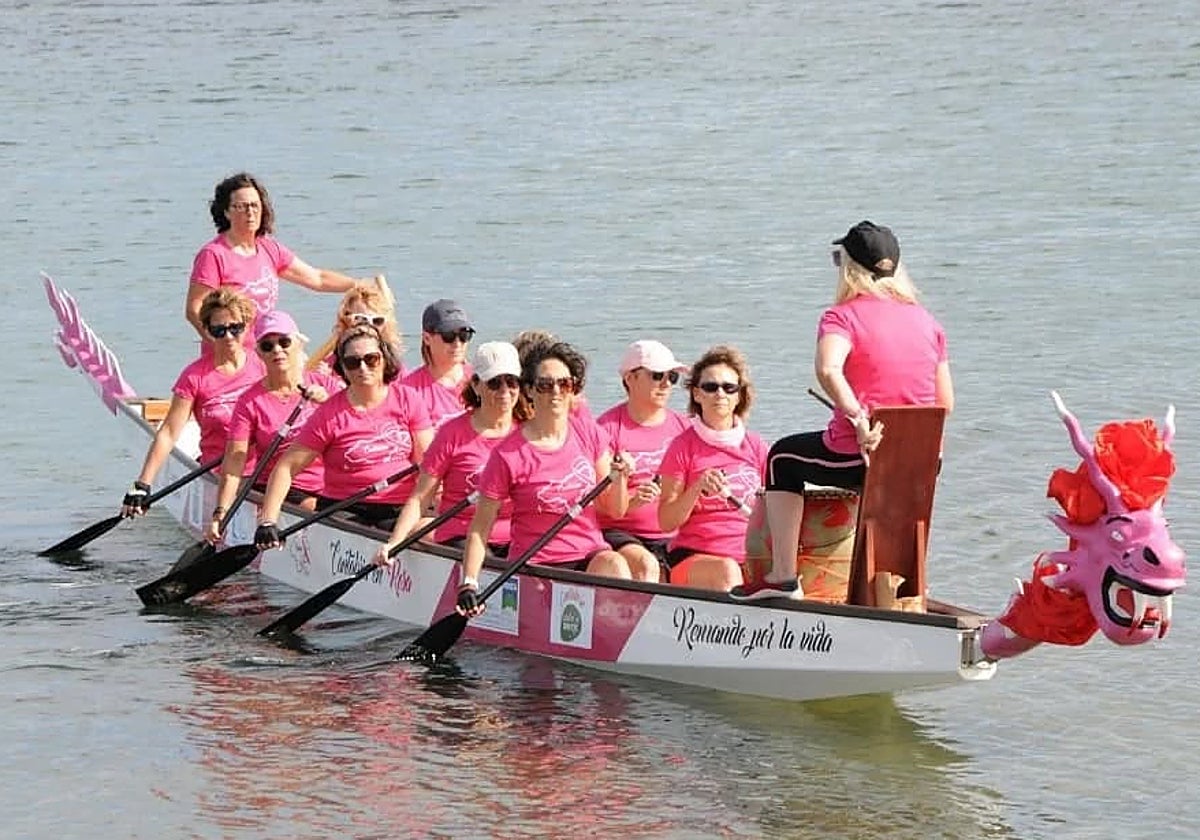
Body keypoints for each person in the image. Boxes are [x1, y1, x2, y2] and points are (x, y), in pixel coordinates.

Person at [729, 220, 954, 601]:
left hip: (860, 454)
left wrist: (858, 419)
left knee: (781, 458)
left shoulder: (842, 316)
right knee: (881, 480)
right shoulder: (928, 321)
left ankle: (783, 576)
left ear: (850, 268)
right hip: (923, 462)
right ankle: (903, 589)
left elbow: (828, 368)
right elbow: (945, 404)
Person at [455, 342, 654, 617]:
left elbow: (615, 510)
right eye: (546, 385)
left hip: (588, 555)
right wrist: (469, 583)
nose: (556, 392)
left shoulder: (588, 433)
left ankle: (619, 631)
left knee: (615, 564)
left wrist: (619, 479)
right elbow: (480, 529)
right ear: (529, 390)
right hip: (535, 563)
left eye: (564, 384)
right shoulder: (507, 455)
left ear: (573, 388)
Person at [253, 325, 434, 537]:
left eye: (371, 359)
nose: (363, 368)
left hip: (400, 506)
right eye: (353, 362)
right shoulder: (329, 414)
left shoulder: (408, 399)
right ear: (343, 369)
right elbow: (286, 467)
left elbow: (430, 464)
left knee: (437, 533)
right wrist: (268, 521)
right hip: (346, 508)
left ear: (384, 360)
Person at [373, 341, 531, 564]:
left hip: (517, 533)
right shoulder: (452, 433)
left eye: (512, 382)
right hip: (462, 532)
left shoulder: (529, 431)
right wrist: (394, 542)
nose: (505, 391)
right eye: (494, 383)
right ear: (476, 385)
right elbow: (421, 497)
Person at [186, 172, 374, 345]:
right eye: (241, 206)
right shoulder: (214, 255)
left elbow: (317, 278)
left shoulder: (269, 248)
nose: (250, 212)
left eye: (254, 205)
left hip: (267, 348)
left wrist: (359, 285)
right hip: (231, 354)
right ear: (226, 212)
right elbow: (194, 309)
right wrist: (221, 345)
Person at [120, 290, 264, 516]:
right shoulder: (194, 377)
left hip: (264, 471)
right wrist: (143, 484)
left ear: (246, 326)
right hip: (219, 473)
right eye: (219, 330)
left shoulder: (264, 364)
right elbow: (169, 433)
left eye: (235, 328)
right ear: (206, 331)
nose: (228, 337)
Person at [204, 311, 343, 544]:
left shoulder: (328, 386)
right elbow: (234, 463)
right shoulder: (249, 402)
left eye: (284, 342)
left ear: (298, 343)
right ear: (259, 353)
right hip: (284, 488)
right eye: (268, 346)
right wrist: (220, 512)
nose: (277, 350)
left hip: (333, 484)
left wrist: (328, 404)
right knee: (318, 508)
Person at [657, 345, 768, 592]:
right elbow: (666, 521)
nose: (720, 394)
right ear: (697, 394)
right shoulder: (682, 447)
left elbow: (774, 509)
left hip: (749, 553)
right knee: (728, 571)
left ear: (739, 396)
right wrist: (697, 488)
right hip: (695, 555)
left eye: (729, 388)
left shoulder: (756, 446)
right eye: (710, 387)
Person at [595, 340, 691, 578]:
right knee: (647, 565)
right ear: (630, 378)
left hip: (674, 534)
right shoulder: (606, 429)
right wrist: (634, 501)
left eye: (672, 377)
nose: (666, 384)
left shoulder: (684, 427)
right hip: (621, 533)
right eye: (657, 376)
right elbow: (603, 506)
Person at [307, 276, 405, 375]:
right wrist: (326, 380)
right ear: (346, 319)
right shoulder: (329, 365)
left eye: (377, 321)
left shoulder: (393, 363)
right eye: (361, 319)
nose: (369, 327)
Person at [402, 299, 475, 429]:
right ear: (427, 338)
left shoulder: (483, 381)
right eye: (448, 336)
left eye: (464, 335)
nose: (457, 343)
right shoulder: (408, 390)